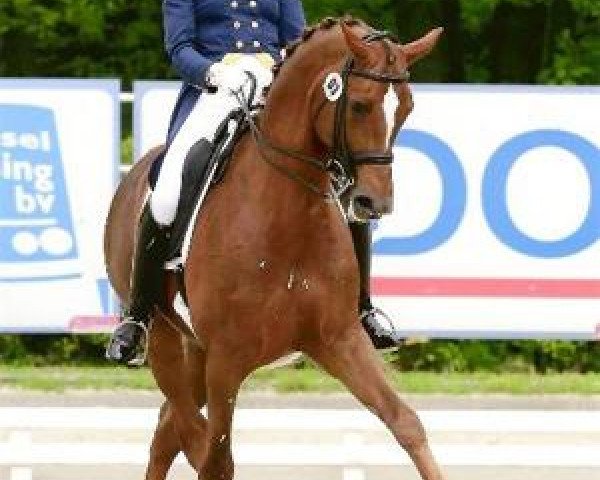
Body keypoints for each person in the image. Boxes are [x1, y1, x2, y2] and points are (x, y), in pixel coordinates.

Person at [106, 1, 401, 364]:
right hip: (213, 91)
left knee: (342, 179)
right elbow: (180, 49)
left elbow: (298, 39)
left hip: (276, 89)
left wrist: (281, 68)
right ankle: (137, 317)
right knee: (166, 191)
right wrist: (214, 73)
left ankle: (363, 308)